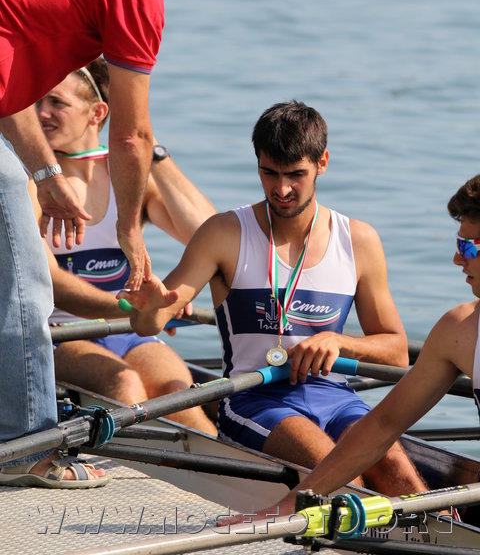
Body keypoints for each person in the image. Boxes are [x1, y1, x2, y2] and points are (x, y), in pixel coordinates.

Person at [0, 0, 221, 486]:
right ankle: (27, 447)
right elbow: (131, 133)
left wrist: (45, 171)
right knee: (25, 289)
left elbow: (6, 85)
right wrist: (130, 231)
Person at [118, 100, 426, 497]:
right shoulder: (224, 234)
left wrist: (339, 341)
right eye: (270, 173)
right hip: (253, 397)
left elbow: (397, 351)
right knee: (343, 481)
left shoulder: (359, 241)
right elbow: (151, 325)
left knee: (402, 477)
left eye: (296, 175)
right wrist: (147, 308)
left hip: (335, 395)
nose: (281, 189)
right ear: (258, 164)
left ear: (323, 163)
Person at [231, 172, 480, 517]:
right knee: (389, 469)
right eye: (458, 244)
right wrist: (290, 504)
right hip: (261, 398)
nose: (457, 259)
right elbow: (380, 427)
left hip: (328, 398)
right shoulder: (460, 330)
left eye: (468, 247)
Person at [28, 59, 216, 436]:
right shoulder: (33, 183)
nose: (40, 113)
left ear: (98, 113)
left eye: (56, 103)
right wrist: (140, 306)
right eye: (37, 102)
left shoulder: (125, 179)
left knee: (176, 392)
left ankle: (226, 474)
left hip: (126, 327)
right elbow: (52, 282)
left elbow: (210, 236)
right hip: (57, 333)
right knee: (127, 383)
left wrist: (149, 145)